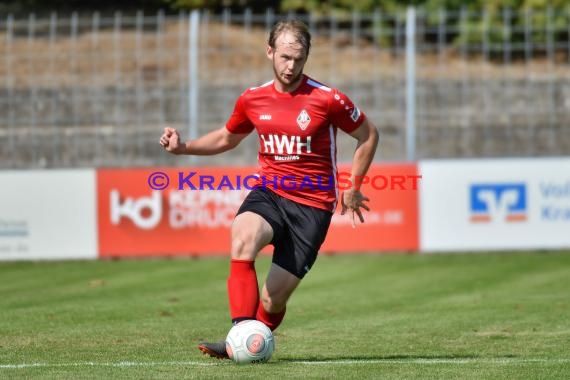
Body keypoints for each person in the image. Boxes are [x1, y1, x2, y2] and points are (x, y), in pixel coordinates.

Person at [159, 19, 379, 359]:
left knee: (273, 299)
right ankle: (239, 336)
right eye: (285, 57)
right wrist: (183, 146)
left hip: (312, 207)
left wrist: (354, 186)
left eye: (299, 59)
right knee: (243, 234)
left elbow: (368, 135)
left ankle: (253, 340)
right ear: (269, 52)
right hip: (270, 191)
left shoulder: (327, 99)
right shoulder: (252, 99)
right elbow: (227, 137)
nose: (291, 66)